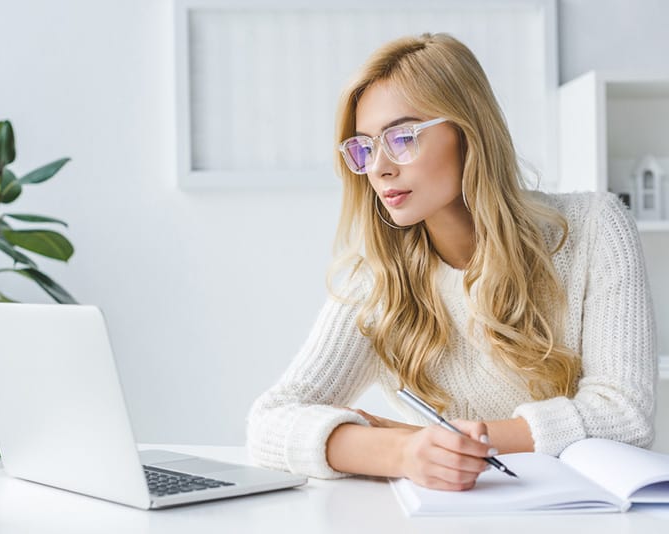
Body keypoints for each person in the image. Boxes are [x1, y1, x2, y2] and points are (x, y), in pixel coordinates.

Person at [246, 33, 657, 491]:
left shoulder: (596, 229)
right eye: (364, 148)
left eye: (402, 138)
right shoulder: (379, 279)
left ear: (468, 132)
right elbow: (269, 422)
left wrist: (439, 441)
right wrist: (404, 452)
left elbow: (624, 416)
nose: (379, 167)